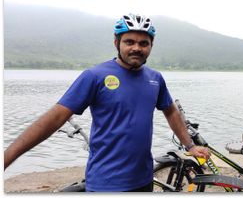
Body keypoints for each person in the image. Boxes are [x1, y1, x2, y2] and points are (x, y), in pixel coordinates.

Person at [4, 13, 210, 192]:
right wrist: (7, 158)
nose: (136, 48)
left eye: (143, 43)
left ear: (151, 46)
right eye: (129, 42)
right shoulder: (94, 76)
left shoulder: (155, 79)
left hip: (144, 180)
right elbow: (54, 119)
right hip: (106, 183)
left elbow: (171, 111)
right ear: (116, 43)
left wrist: (190, 145)